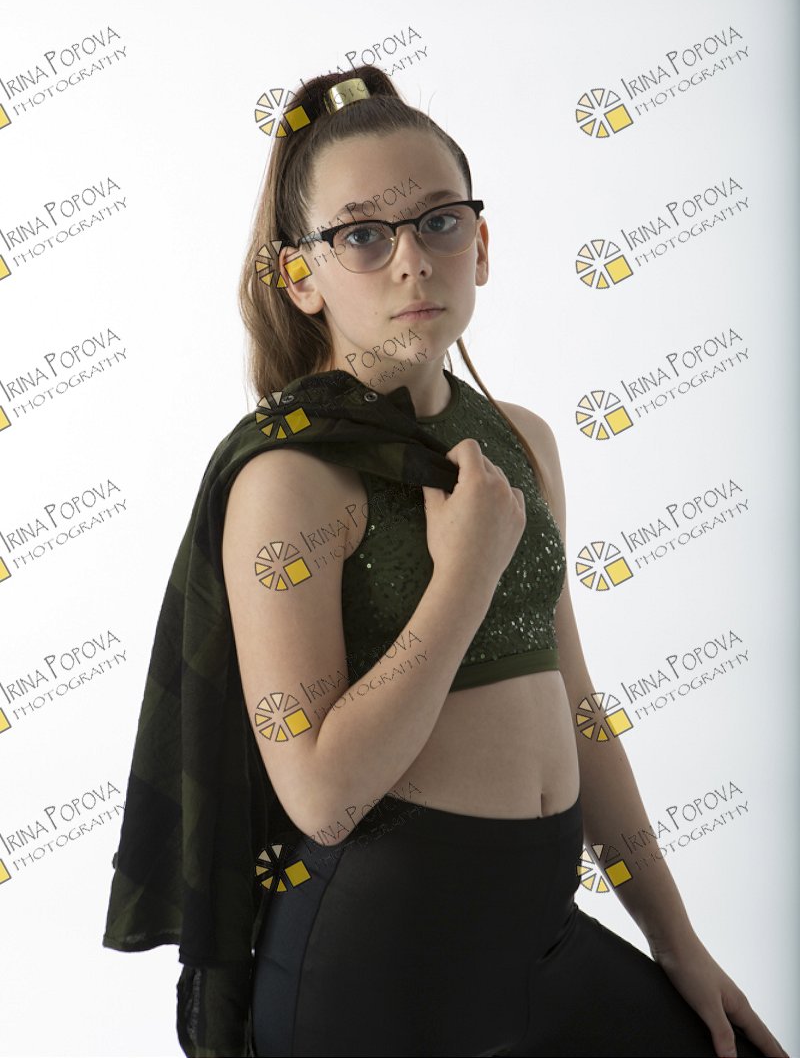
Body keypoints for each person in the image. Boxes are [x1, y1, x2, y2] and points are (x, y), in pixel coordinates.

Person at [105, 67, 787, 1058]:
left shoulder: (522, 441)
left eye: (437, 222)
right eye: (361, 235)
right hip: (380, 966)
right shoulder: (290, 479)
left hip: (542, 933)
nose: (411, 261)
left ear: (481, 243)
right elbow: (321, 795)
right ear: (300, 276)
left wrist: (677, 940)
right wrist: (463, 577)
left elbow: (579, 706)